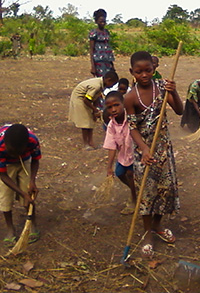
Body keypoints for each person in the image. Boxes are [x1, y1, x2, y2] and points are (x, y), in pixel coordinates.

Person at [124, 51, 183, 257]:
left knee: (164, 191)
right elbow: (132, 128)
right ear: (132, 72)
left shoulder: (162, 88)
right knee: (146, 194)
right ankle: (148, 234)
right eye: (139, 72)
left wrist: (173, 92)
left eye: (148, 70)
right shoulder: (130, 97)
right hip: (144, 152)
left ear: (154, 69)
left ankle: (158, 226)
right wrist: (144, 149)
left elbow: (180, 110)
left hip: (163, 149)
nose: (144, 75)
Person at [0, 124, 41, 245]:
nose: (14, 154)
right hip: (6, 165)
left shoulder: (32, 140)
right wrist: (22, 193)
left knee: (29, 195)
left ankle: (32, 225)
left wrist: (32, 181)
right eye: (11, 151)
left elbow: (35, 160)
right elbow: (3, 176)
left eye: (17, 151)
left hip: (24, 160)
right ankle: (10, 229)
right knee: (5, 196)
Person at [103, 91, 136, 215]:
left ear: (123, 104)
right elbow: (111, 146)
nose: (113, 109)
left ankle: (134, 198)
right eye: (110, 107)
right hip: (124, 156)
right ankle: (135, 190)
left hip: (136, 155)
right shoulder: (111, 125)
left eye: (116, 105)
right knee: (119, 173)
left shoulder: (132, 118)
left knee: (130, 174)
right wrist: (109, 167)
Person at [68, 71, 119, 149]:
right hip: (80, 100)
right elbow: (86, 100)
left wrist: (94, 111)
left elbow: (95, 97)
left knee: (91, 121)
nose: (112, 86)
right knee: (85, 123)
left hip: (85, 100)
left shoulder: (101, 84)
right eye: (112, 84)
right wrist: (95, 110)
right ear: (108, 80)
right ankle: (86, 144)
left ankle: (91, 142)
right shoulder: (96, 86)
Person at [89, 9, 115, 77]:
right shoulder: (93, 33)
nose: (103, 23)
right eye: (101, 21)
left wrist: (112, 64)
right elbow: (91, 50)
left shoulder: (106, 32)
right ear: (96, 21)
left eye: (104, 21)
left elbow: (108, 47)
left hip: (108, 60)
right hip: (98, 61)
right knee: (101, 81)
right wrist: (93, 66)